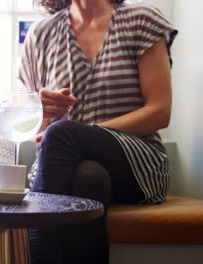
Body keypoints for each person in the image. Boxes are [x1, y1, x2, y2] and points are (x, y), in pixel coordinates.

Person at [18, 0, 177, 263]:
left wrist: (82, 133)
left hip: (137, 163)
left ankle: (36, 256)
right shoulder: (41, 34)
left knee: (62, 134)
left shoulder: (141, 20)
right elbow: (31, 128)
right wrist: (42, 113)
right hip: (65, 170)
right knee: (89, 178)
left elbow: (160, 112)